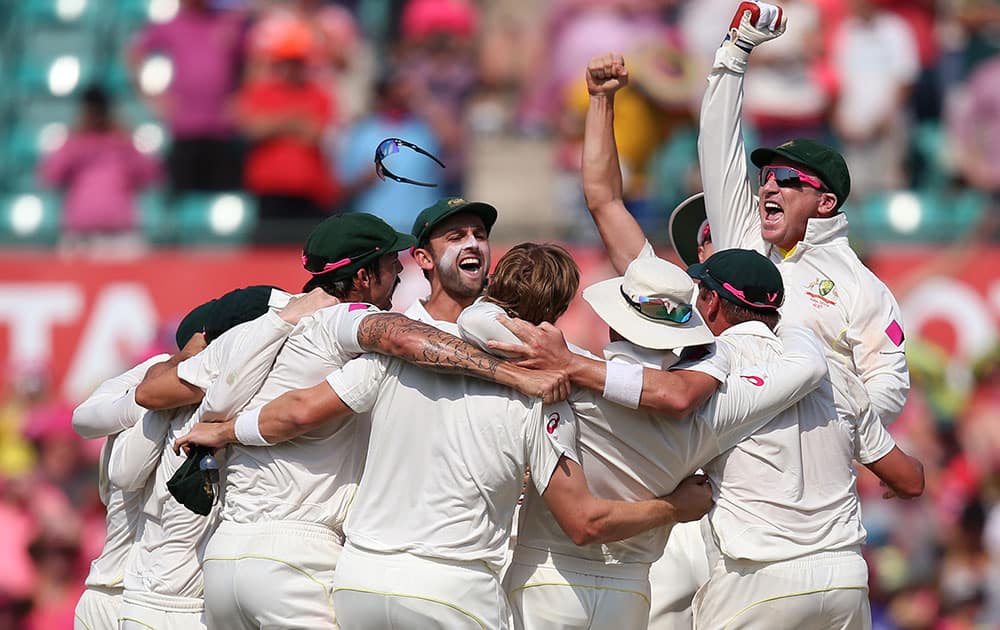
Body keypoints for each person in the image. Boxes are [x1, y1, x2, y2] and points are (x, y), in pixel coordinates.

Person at [174, 245, 713, 630]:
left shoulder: (393, 358)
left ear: (493, 284)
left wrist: (225, 429)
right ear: (559, 311)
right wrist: (675, 506)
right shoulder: (548, 393)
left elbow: (296, 412)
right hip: (451, 590)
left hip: (360, 580)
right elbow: (582, 521)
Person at [491, 248, 925, 629]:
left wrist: (570, 364)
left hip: (752, 579)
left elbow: (672, 396)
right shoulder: (809, 381)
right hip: (844, 575)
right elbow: (910, 480)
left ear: (712, 301)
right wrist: (800, 334)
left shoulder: (707, 379)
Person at [696, 1, 910, 425]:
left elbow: (889, 383)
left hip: (819, 484)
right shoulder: (744, 240)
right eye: (767, 175)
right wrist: (736, 54)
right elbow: (717, 148)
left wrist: (844, 434)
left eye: (787, 178)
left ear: (825, 203)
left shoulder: (861, 286)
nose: (769, 185)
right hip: (736, 475)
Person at [112, 287, 335, 630]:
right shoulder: (202, 410)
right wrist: (281, 321)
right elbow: (118, 456)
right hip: (169, 606)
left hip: (184, 597)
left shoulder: (204, 406)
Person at [70, 351, 171, 630]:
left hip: (131, 595)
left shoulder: (124, 415)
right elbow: (127, 475)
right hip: (128, 596)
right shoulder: (140, 413)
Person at [236, 18, 340, 244]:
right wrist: (294, 120)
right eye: (287, 62)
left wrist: (275, 124)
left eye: (297, 62)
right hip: (270, 193)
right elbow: (253, 129)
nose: (292, 68)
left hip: (309, 194)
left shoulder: (319, 94)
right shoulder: (261, 92)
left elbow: (315, 134)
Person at [129, 0, 243, 195]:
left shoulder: (227, 24)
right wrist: (153, 97)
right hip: (185, 131)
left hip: (222, 129)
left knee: (221, 198)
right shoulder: (171, 25)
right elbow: (135, 53)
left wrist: (242, 97)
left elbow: (250, 61)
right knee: (183, 201)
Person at [38, 85, 161, 240]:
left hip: (117, 228)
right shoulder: (78, 144)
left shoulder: (122, 143)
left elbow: (152, 174)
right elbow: (50, 176)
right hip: (86, 229)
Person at [406, 197, 496, 326]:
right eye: (456, 238)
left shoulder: (513, 321)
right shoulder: (402, 335)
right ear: (425, 259)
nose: (474, 244)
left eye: (479, 236)